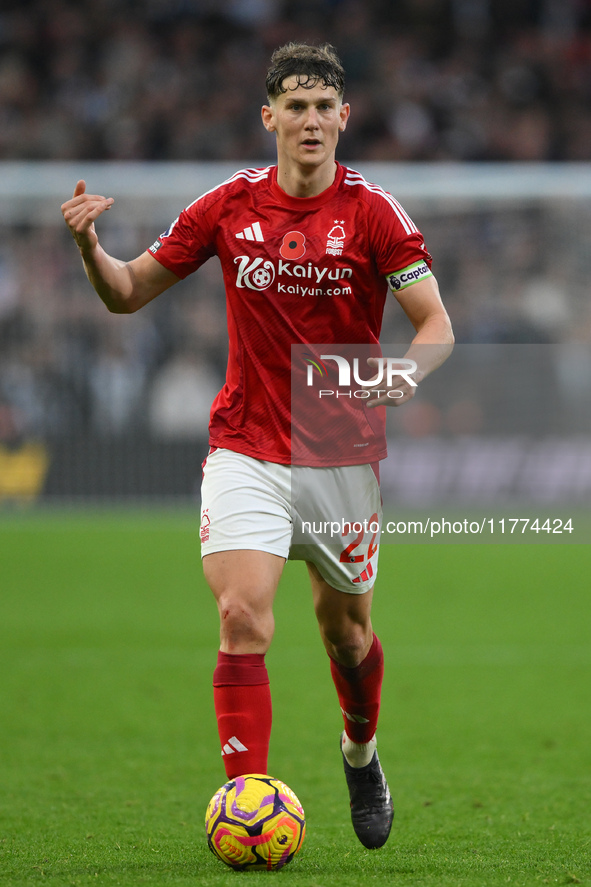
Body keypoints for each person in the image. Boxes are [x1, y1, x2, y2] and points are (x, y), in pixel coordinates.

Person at [61, 42, 454, 850]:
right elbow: (129, 292)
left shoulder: (375, 213)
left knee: (346, 635)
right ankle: (248, 803)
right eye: (295, 106)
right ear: (268, 116)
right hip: (246, 447)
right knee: (242, 616)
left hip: (341, 455)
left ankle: (360, 750)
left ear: (343, 118)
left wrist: (406, 378)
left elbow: (436, 327)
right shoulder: (227, 206)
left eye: (323, 107)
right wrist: (89, 252)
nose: (310, 121)